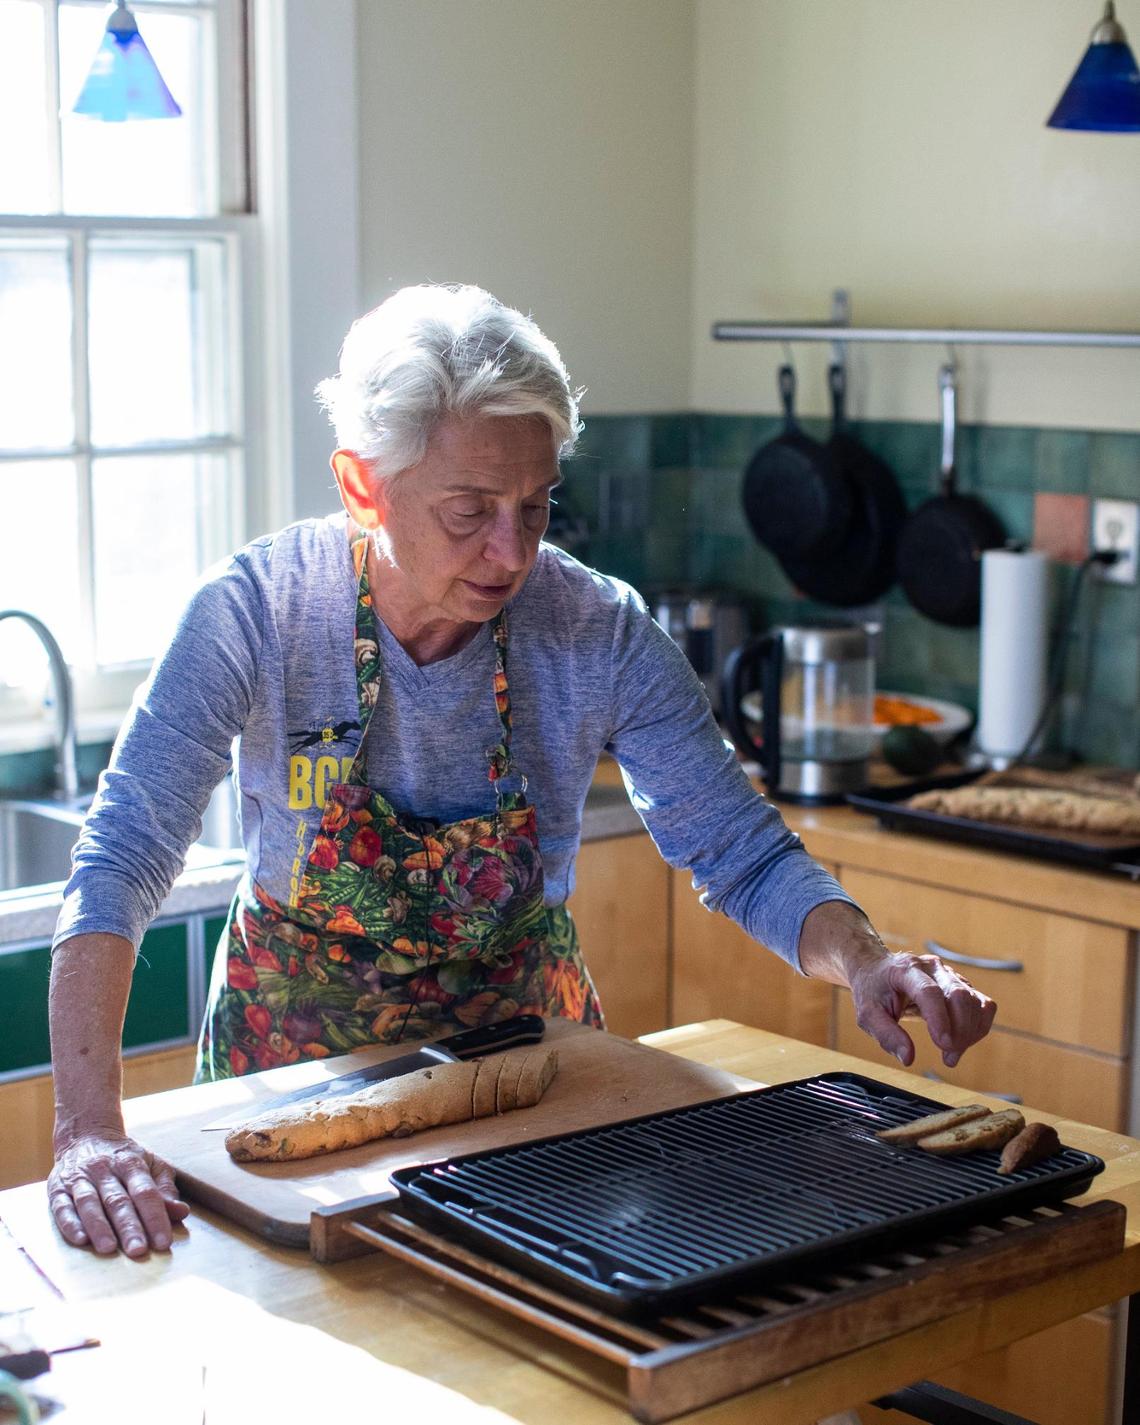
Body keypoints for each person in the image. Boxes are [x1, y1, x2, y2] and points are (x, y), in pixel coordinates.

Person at [46, 283, 996, 1258]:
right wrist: (86, 1127)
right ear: (364, 486)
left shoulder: (596, 629)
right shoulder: (261, 614)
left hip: (533, 1073)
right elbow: (123, 855)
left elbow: (738, 849)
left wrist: (867, 957)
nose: (511, 552)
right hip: (293, 1084)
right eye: (469, 511)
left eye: (535, 506)